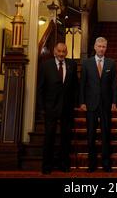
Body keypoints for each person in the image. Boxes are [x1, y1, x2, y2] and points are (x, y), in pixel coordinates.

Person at [37, 42, 78, 174]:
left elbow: (75, 86)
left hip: (67, 108)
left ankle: (64, 164)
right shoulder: (45, 65)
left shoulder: (72, 64)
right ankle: (47, 166)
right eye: (59, 51)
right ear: (54, 51)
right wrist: (42, 108)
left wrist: (75, 104)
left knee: (66, 137)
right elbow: (40, 89)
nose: (61, 54)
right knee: (49, 137)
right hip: (50, 107)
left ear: (66, 52)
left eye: (63, 51)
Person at [79, 36, 117, 172]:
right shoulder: (86, 63)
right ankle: (92, 164)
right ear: (95, 47)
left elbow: (114, 85)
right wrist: (82, 102)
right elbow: (82, 84)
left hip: (106, 105)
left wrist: (114, 101)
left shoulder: (111, 63)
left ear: (106, 48)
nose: (101, 49)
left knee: (106, 135)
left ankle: (106, 163)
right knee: (91, 135)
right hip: (90, 104)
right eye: (99, 46)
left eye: (104, 47)